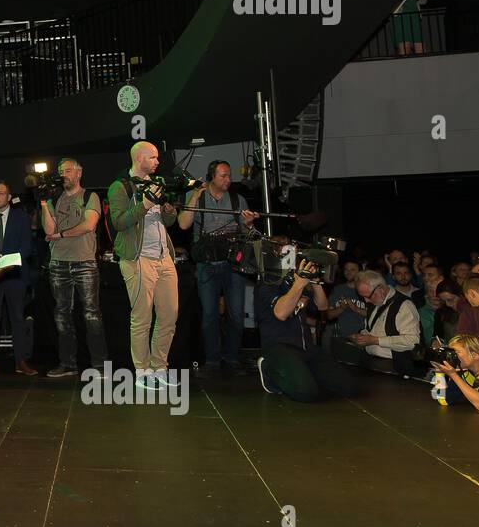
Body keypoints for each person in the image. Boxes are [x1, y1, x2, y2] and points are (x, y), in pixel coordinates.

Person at [108, 141, 180, 390]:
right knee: (142, 318)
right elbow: (118, 222)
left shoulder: (157, 183)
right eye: (153, 158)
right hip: (138, 259)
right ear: (139, 158)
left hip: (163, 257)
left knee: (169, 315)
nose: (157, 162)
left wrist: (169, 210)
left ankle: (160, 366)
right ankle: (142, 371)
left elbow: (169, 221)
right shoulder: (120, 186)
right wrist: (146, 204)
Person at [176, 160, 258, 374]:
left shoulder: (237, 199)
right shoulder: (197, 196)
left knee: (236, 314)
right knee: (210, 315)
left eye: (229, 175)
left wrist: (249, 224)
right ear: (212, 176)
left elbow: (249, 234)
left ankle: (231, 358)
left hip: (233, 264)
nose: (228, 179)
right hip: (207, 264)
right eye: (223, 176)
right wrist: (194, 194)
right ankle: (212, 360)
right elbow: (183, 224)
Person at [40, 157, 107, 379]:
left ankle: (100, 366)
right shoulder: (56, 198)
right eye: (61, 171)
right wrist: (43, 203)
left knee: (91, 314)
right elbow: (48, 229)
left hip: (84, 262)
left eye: (67, 170)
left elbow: (89, 225)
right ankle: (68, 364)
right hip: (58, 262)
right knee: (62, 314)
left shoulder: (90, 196)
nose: (63, 174)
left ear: (79, 173)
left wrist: (59, 235)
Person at [256, 262, 359, 401]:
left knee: (349, 387)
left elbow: (323, 307)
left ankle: (304, 373)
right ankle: (268, 369)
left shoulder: (302, 286)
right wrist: (299, 283)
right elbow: (281, 313)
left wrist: (315, 282)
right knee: (305, 392)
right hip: (279, 345)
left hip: (306, 348)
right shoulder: (268, 284)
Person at [0, 180, 36, 377]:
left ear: (9, 197)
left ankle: (21, 361)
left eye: (1, 193)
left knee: (18, 319)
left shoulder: (21, 217)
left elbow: (27, 248)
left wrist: (9, 263)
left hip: (15, 276)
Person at [334, 270, 421, 374]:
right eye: (363, 297)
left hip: (395, 367)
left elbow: (412, 341)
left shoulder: (404, 305)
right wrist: (363, 336)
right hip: (371, 362)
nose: (366, 301)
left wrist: (375, 340)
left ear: (380, 289)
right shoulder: (375, 302)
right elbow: (373, 329)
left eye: (368, 296)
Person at [430, 334, 479, 411]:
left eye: (456, 352)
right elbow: (443, 400)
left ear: (474, 355)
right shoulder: (464, 373)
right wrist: (439, 373)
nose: (452, 356)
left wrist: (453, 375)